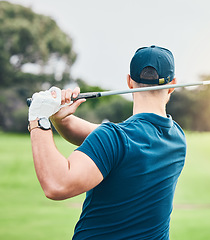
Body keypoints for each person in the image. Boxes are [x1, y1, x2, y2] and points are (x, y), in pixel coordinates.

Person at [28, 45, 187, 239]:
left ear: (129, 81)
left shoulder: (115, 138)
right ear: (172, 85)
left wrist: (39, 118)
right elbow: (103, 140)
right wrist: (60, 118)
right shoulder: (177, 138)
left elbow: (57, 185)